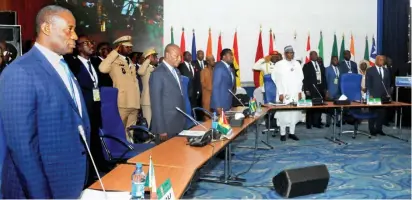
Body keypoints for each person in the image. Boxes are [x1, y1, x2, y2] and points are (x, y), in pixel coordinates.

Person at [0, 5, 90, 198]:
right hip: (41, 188)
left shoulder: (65, 66)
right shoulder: (20, 72)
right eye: (70, 29)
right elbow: (22, 146)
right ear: (47, 28)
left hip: (68, 181)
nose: (75, 36)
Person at [64, 35, 106, 183]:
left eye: (92, 42)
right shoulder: (73, 64)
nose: (91, 45)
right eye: (86, 43)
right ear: (79, 47)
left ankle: (96, 168)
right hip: (83, 110)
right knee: (84, 142)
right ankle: (86, 174)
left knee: (94, 138)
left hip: (95, 108)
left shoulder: (93, 63)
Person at [99, 35, 140, 141]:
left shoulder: (130, 61)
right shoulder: (114, 60)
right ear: (119, 47)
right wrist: (114, 53)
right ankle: (119, 155)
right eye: (127, 47)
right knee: (118, 131)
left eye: (130, 47)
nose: (130, 49)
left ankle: (130, 152)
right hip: (122, 101)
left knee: (130, 132)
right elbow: (102, 68)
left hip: (134, 102)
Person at [150, 44, 185, 143]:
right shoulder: (158, 73)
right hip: (166, 125)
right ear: (167, 55)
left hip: (178, 123)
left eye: (180, 56)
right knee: (165, 157)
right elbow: (156, 103)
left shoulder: (177, 71)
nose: (179, 59)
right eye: (176, 56)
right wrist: (161, 129)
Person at [271, 45, 303, 141]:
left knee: (293, 113)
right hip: (284, 92)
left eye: (292, 53)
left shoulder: (297, 64)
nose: (291, 54)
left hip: (295, 92)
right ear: (285, 54)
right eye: (289, 53)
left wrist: (299, 91)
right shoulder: (279, 64)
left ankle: (292, 133)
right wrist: (281, 93)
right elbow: (277, 79)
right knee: (283, 114)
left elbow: (300, 79)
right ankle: (282, 133)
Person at [365, 55, 391, 136]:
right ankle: (372, 129)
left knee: (381, 113)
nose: (382, 61)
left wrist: (388, 93)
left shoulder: (386, 70)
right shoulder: (370, 70)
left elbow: (388, 83)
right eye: (380, 59)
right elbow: (368, 84)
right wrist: (370, 94)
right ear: (376, 61)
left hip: (383, 96)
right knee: (372, 113)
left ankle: (379, 129)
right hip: (374, 95)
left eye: (383, 60)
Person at [303, 51, 326, 129]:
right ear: (310, 56)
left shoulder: (320, 65)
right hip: (311, 88)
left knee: (319, 106)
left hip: (320, 88)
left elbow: (324, 77)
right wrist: (306, 89)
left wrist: (325, 89)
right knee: (310, 107)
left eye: (316, 54)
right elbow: (305, 79)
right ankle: (309, 124)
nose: (316, 56)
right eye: (314, 55)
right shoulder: (307, 66)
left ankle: (317, 123)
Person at [211, 48, 236, 113]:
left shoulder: (228, 68)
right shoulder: (219, 67)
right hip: (221, 105)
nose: (232, 57)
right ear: (224, 57)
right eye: (230, 55)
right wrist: (218, 106)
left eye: (232, 55)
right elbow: (215, 87)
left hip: (227, 103)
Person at [138, 48, 158, 127]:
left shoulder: (155, 68)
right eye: (154, 57)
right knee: (148, 123)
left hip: (155, 99)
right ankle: (148, 139)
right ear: (150, 57)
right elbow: (140, 72)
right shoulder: (145, 68)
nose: (156, 58)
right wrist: (148, 60)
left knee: (155, 123)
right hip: (147, 100)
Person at [325, 56, 341, 127]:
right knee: (330, 107)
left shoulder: (339, 69)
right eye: (334, 60)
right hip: (330, 91)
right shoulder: (327, 69)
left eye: (337, 60)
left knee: (337, 107)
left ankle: (336, 121)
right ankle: (328, 122)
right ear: (331, 61)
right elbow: (326, 81)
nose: (336, 61)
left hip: (338, 91)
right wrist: (327, 91)